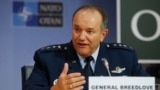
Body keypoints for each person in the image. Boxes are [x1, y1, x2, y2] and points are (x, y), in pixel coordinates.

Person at [25, 5, 149, 90]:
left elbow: (149, 87)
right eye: (77, 29)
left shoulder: (125, 57)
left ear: (103, 34)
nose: (81, 37)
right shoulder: (48, 59)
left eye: (89, 31)